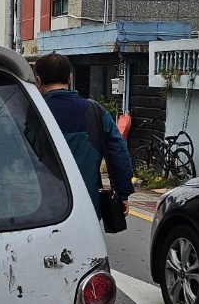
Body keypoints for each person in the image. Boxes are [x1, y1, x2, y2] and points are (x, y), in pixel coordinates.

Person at [33, 52, 133, 218]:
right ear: (70, 78)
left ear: (38, 81)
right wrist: (123, 193)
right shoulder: (95, 112)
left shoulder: (31, 112)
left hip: (39, 209)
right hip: (86, 208)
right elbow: (118, 153)